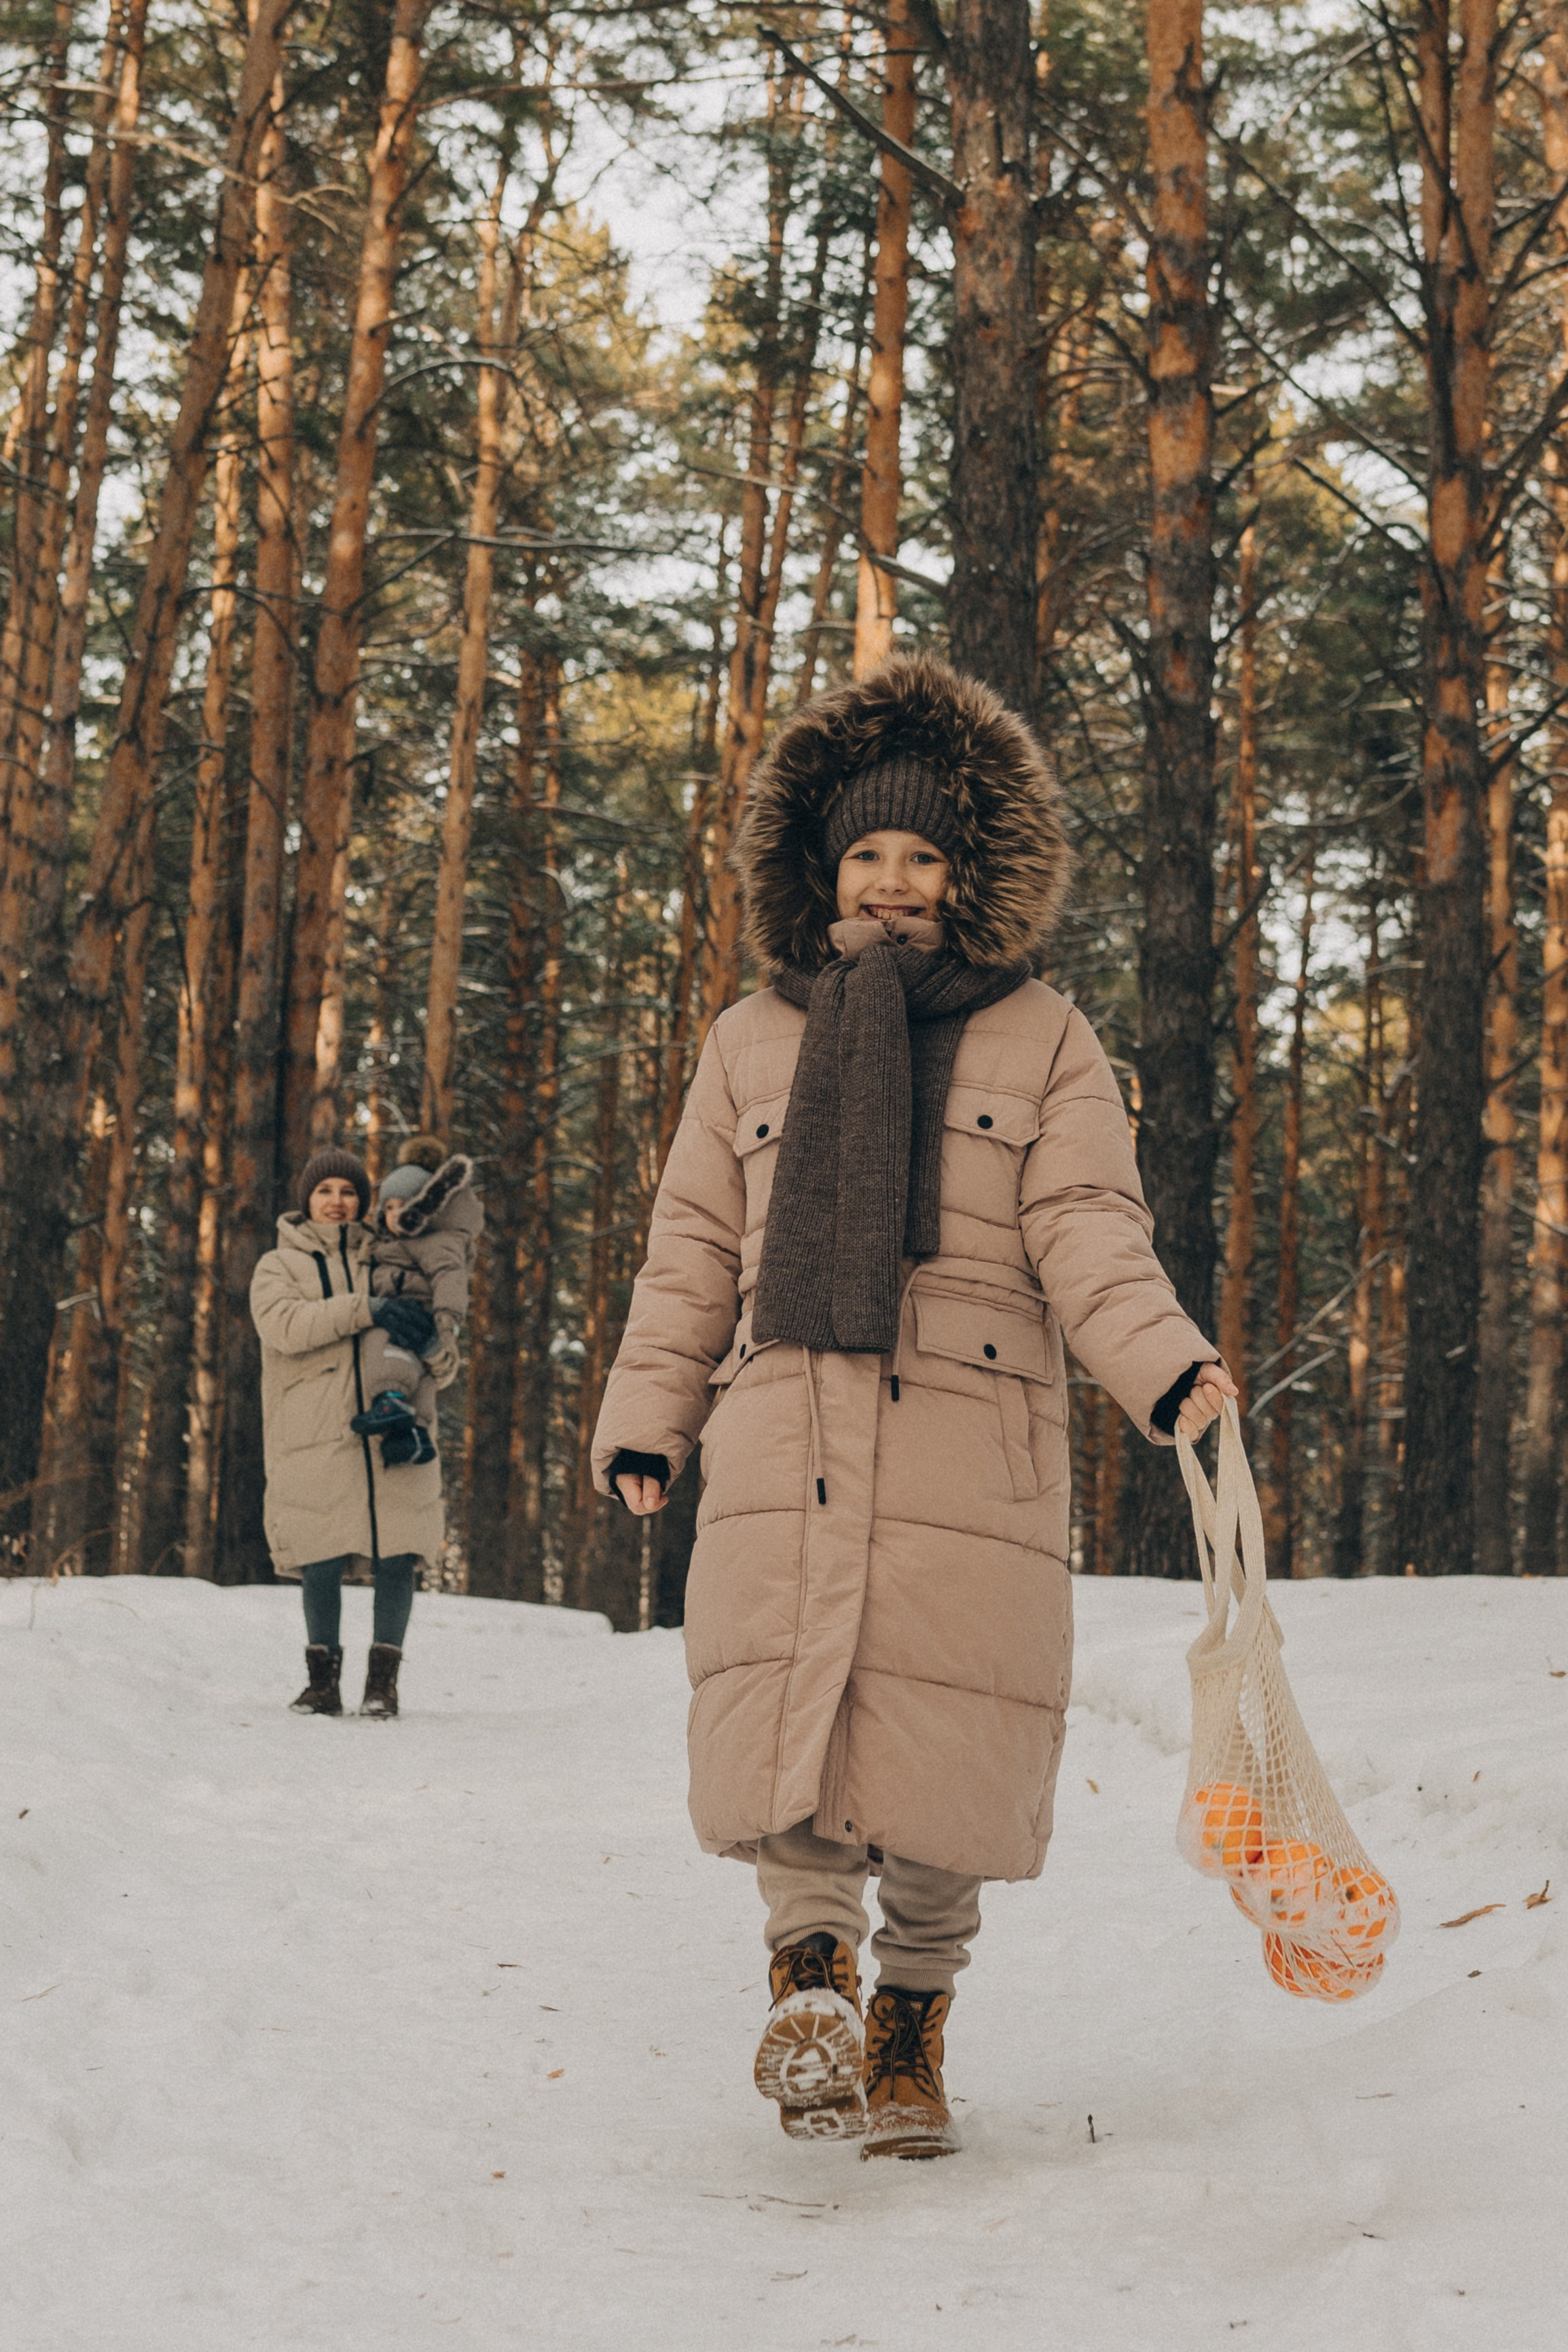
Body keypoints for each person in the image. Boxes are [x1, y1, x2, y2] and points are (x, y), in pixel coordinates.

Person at [591, 655, 1236, 2160]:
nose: (890, 883)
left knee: (937, 1747)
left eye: (921, 857)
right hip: (786, 1415)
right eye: (866, 855)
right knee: (790, 1714)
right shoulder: (748, 1038)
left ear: (965, 874)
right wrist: (648, 1416)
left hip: (967, 1425)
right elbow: (689, 1246)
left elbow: (1085, 1220)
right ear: (824, 868)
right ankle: (807, 1973)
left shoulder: (1041, 1034)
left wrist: (1158, 1362)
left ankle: (908, 2024)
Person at [251, 1148, 447, 1719]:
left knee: (399, 1551)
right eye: (324, 1190)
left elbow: (441, 1347)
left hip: (397, 1424)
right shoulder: (278, 1266)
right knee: (321, 1554)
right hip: (313, 1432)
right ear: (306, 1200)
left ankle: (383, 1685)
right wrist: (368, 1307)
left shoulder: (393, 1256)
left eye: (348, 1191)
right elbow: (285, 1326)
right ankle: (322, 1683)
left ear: (364, 1201)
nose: (337, 1201)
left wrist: (436, 1346)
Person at [352, 1136, 482, 1466]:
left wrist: (447, 1321)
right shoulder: (387, 1242)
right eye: (390, 1208)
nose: (396, 1215)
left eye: (404, 1207)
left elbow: (451, 1277)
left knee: (381, 1342)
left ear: (423, 1209)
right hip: (414, 1312)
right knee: (424, 1374)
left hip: (417, 1311)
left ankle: (391, 1399)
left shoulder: (432, 1242)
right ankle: (416, 1433)